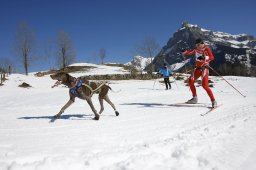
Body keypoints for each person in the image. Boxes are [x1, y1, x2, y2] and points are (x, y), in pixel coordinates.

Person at [182, 38, 217, 108]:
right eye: (196, 45)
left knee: (205, 86)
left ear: (202, 43)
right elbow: (190, 52)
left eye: (198, 44)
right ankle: (194, 98)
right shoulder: (196, 49)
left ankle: (213, 101)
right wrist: (185, 52)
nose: (197, 46)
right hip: (197, 69)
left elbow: (212, 57)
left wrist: (204, 57)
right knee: (190, 81)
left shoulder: (207, 49)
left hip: (204, 69)